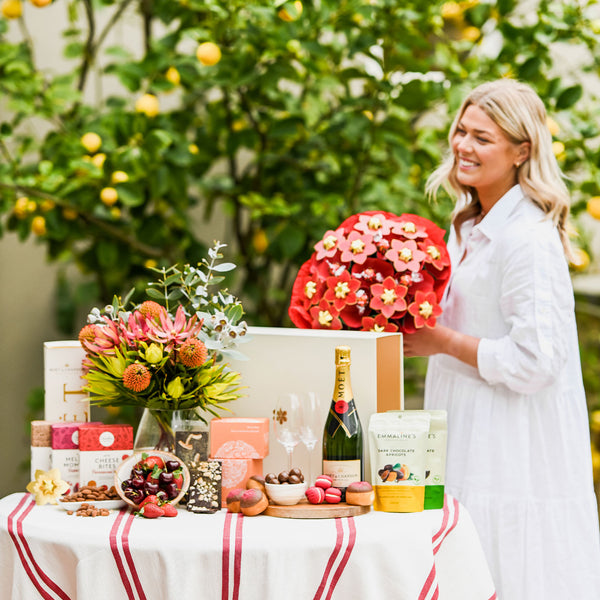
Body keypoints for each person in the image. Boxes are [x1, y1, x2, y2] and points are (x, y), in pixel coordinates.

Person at [403, 78, 600, 599]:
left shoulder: (527, 238)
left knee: (507, 568)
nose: (463, 146)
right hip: (465, 427)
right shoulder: (468, 224)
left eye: (482, 138)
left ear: (522, 151)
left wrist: (441, 341)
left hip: (511, 445)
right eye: (461, 131)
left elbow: (537, 362)